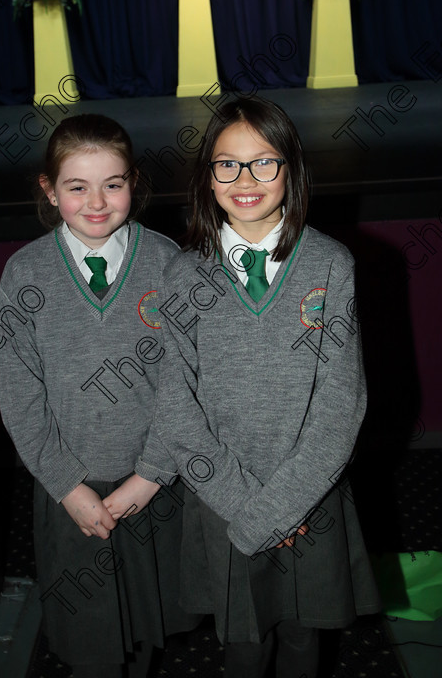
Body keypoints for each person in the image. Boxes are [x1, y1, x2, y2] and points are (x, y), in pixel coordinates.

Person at [150, 97, 382, 678]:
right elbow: (178, 411)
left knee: (305, 639)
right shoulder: (183, 275)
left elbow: (341, 404)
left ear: (292, 170)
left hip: (310, 497)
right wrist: (247, 511)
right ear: (207, 176)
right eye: (227, 164)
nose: (245, 180)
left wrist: (282, 507)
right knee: (244, 647)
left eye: (264, 162)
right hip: (222, 503)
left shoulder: (331, 265)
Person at [0, 114, 196, 678]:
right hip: (71, 495)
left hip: (152, 484)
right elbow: (19, 395)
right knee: (90, 643)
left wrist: (153, 474)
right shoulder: (23, 274)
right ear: (49, 189)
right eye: (77, 186)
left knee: (148, 627)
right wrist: (66, 486)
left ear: (134, 180)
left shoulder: (168, 263)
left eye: (114, 183)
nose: (98, 202)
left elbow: (187, 382)